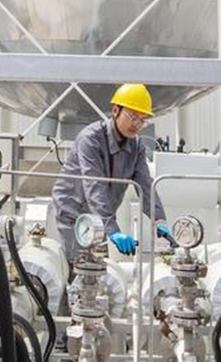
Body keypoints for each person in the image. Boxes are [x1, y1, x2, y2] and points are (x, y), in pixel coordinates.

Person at [52, 83, 171, 262]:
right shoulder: (90, 139)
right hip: (73, 213)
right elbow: (94, 185)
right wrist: (113, 231)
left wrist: (160, 220)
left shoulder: (136, 146)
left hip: (101, 217)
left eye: (142, 119)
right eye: (132, 117)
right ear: (115, 110)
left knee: (98, 268)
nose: (137, 125)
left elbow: (145, 184)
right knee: (79, 266)